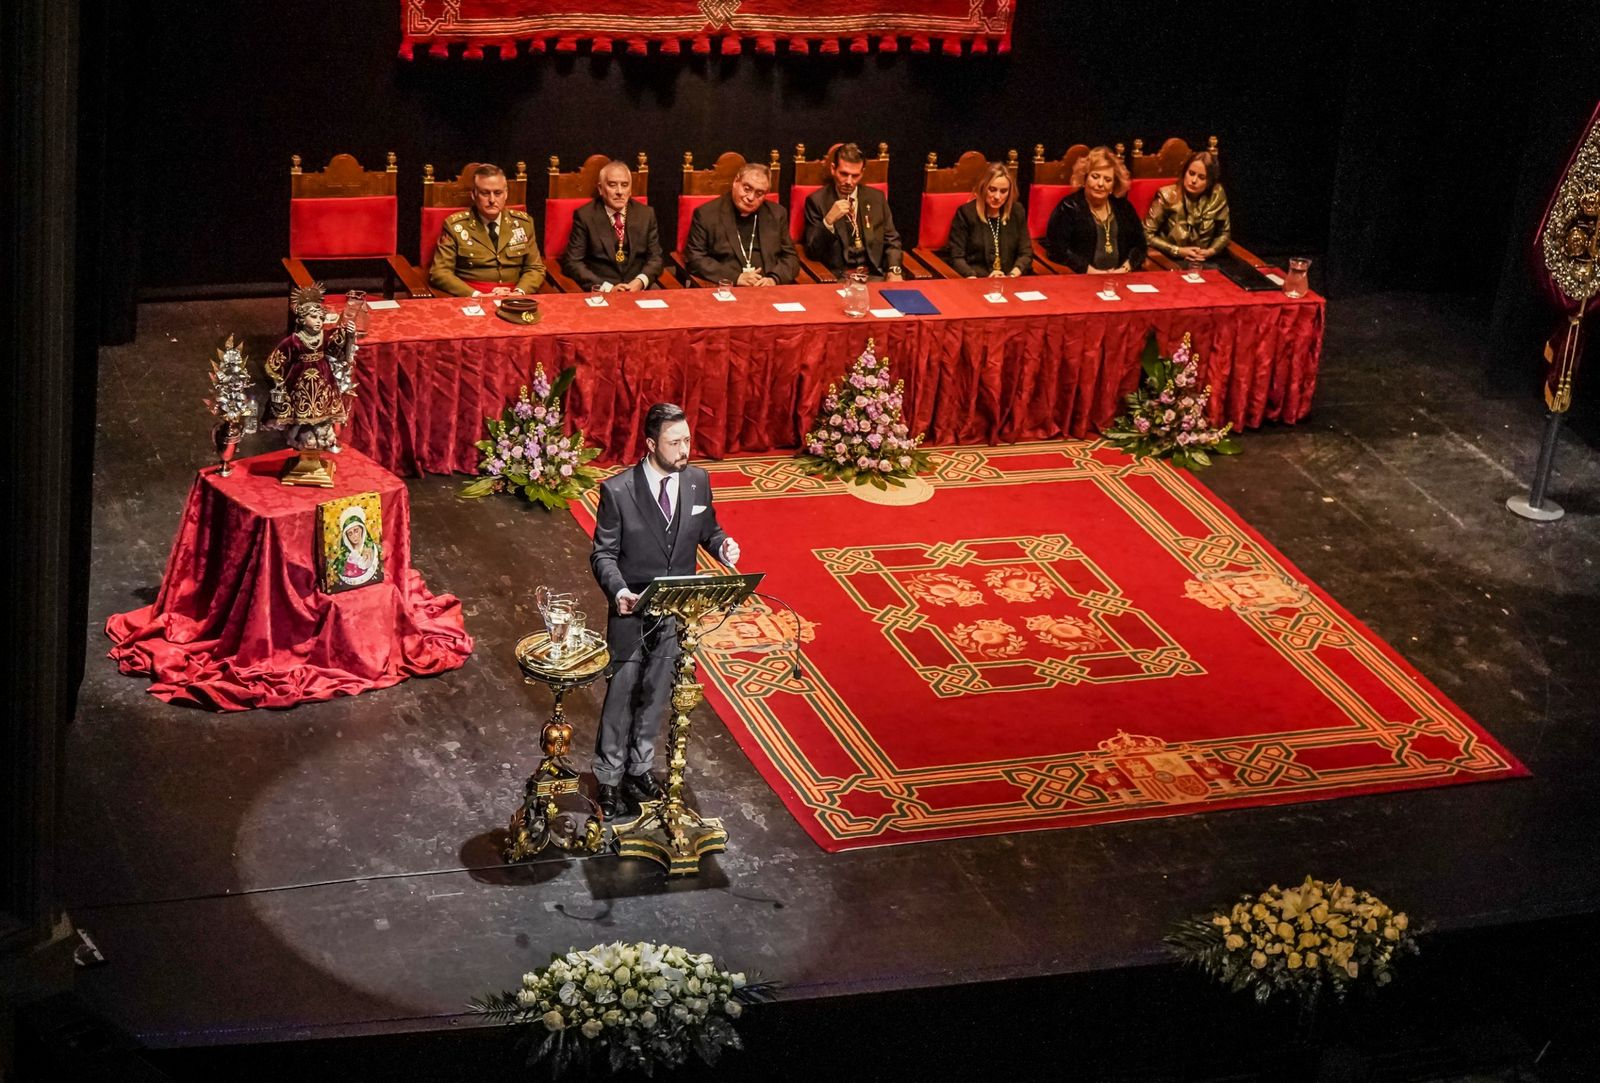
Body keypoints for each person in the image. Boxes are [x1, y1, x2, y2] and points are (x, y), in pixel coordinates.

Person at [589, 403, 741, 819]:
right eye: (675, 443)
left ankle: (639, 769)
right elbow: (603, 555)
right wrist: (618, 590)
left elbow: (708, 529)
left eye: (687, 440)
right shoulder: (618, 491)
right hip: (631, 609)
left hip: (676, 612)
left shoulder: (697, 482)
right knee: (621, 693)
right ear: (651, 444)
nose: (684, 450)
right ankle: (607, 777)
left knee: (656, 692)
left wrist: (722, 545)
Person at [428, 163, 546, 297]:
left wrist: (519, 292)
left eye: (498, 193)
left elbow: (535, 268)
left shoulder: (523, 223)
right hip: (474, 297)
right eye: (485, 193)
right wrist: (476, 295)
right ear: (474, 195)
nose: (492, 200)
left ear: (506, 194)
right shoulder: (455, 226)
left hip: (515, 296)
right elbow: (440, 273)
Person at [264, 284, 355, 452]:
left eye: (321, 318)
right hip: (298, 383)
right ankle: (299, 441)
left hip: (323, 381)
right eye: (313, 317)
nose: (319, 322)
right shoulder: (293, 341)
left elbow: (342, 355)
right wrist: (279, 384)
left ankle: (319, 441)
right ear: (301, 319)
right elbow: (273, 363)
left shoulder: (325, 337)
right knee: (299, 419)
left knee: (322, 419)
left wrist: (349, 336)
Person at [801, 143, 905, 281]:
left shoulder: (876, 198)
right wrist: (828, 222)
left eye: (855, 176)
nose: (849, 181)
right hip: (840, 278)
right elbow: (812, 252)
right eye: (844, 174)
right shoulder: (817, 201)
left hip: (874, 276)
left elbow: (892, 241)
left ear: (862, 173)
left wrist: (894, 270)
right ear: (833, 169)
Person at [684, 163, 798, 286]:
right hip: (728, 288)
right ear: (736, 182)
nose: (750, 197)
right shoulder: (706, 214)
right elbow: (695, 259)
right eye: (747, 189)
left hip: (768, 289)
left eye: (759, 193)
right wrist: (735, 278)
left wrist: (774, 279)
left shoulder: (777, 214)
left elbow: (791, 258)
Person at [560, 160, 666, 292]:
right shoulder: (585, 216)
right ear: (600, 189)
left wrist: (640, 281)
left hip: (637, 290)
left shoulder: (646, 214)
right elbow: (572, 262)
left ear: (630, 189)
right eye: (612, 185)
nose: (619, 191)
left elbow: (656, 258)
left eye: (625, 185)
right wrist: (607, 288)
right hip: (602, 291)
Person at [1044, 145, 1147, 274]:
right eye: (1095, 176)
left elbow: (1140, 246)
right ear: (1084, 178)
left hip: (1121, 277)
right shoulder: (1069, 207)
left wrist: (1125, 269)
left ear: (1114, 185)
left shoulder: (1124, 207)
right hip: (1082, 279)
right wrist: (1089, 271)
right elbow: (1056, 250)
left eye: (1107, 179)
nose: (1100, 184)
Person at [946, 161, 1034, 278]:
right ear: (983, 187)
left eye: (1003, 191)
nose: (997, 197)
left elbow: (1026, 253)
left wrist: (1013, 275)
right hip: (976, 281)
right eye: (992, 189)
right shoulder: (966, 213)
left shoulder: (1017, 211)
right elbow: (956, 257)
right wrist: (973, 277)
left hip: (1010, 280)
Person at [1143, 150, 1231, 263]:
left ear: (1209, 181)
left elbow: (1224, 232)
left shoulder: (1217, 195)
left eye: (1201, 177)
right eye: (1191, 173)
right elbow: (1146, 234)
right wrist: (1177, 250)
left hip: (1205, 260)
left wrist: (1211, 251)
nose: (1194, 181)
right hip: (1171, 260)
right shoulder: (1167, 195)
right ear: (1185, 172)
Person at [336, 505, 382, 588]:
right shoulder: (343, 557)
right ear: (346, 537)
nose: (354, 536)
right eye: (350, 533)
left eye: (356, 531)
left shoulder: (373, 549)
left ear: (362, 530)